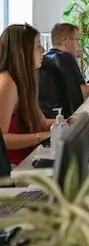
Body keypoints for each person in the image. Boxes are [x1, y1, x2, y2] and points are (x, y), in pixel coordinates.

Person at [0, 24, 55, 166]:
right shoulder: (7, 83)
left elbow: (41, 123)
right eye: (38, 46)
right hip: (12, 168)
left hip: (28, 160)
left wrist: (69, 124)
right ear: (21, 52)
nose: (43, 50)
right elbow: (2, 139)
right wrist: (41, 137)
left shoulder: (24, 81)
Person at [46, 22, 89, 100]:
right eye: (78, 40)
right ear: (67, 42)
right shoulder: (65, 57)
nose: (80, 44)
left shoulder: (47, 57)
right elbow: (83, 92)